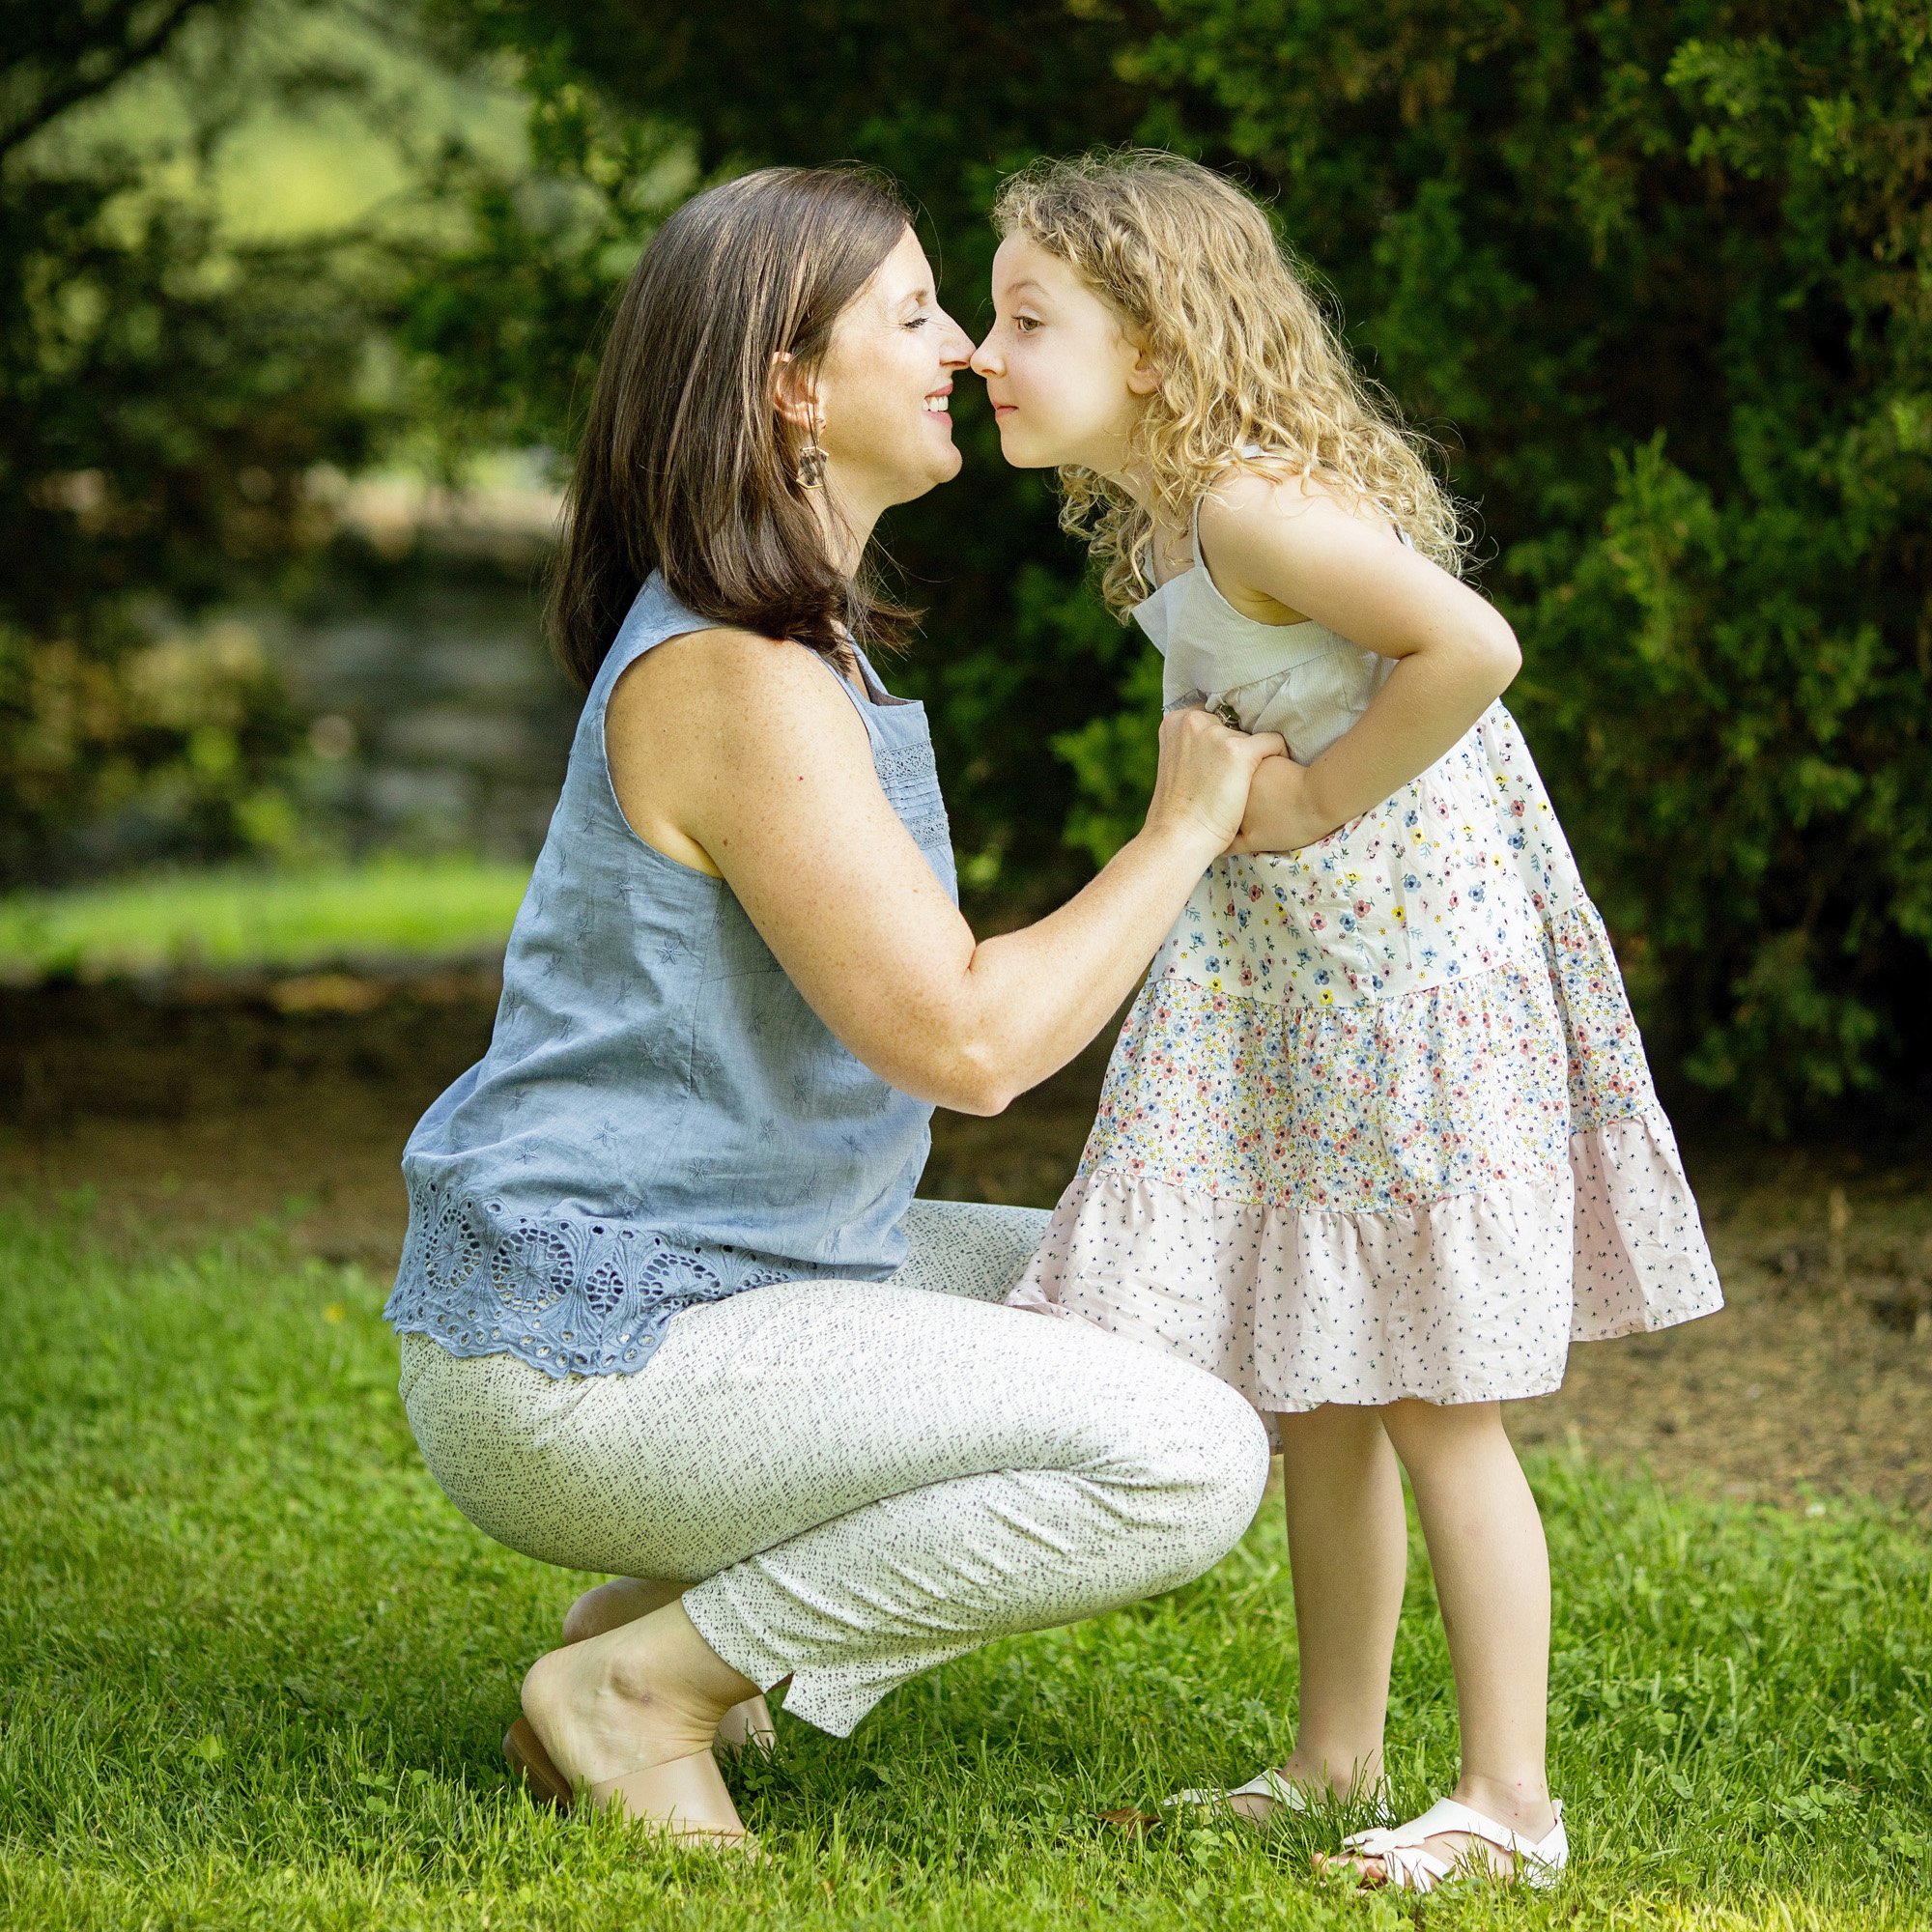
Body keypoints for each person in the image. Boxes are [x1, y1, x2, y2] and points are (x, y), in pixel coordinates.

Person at [382, 164, 1285, 1853]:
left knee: (1193, 1295)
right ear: (793, 386)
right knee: (1185, 1458)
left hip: (747, 1283)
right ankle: (646, 1691)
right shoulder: (732, 669)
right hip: (597, 1346)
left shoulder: (802, 646)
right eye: (914, 311)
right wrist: (1183, 831)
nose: (957, 344)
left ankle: (641, 1621)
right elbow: (967, 1044)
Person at [973, 149, 1725, 1892]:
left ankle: (1512, 1806)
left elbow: (1472, 647)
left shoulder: (1244, 505)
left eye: (1029, 319)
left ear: (1154, 343)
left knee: (1435, 1394)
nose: (985, 352)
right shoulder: (1174, 507)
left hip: (1407, 970)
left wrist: (1309, 803)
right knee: (1328, 1384)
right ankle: (1334, 1756)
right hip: (1317, 970)